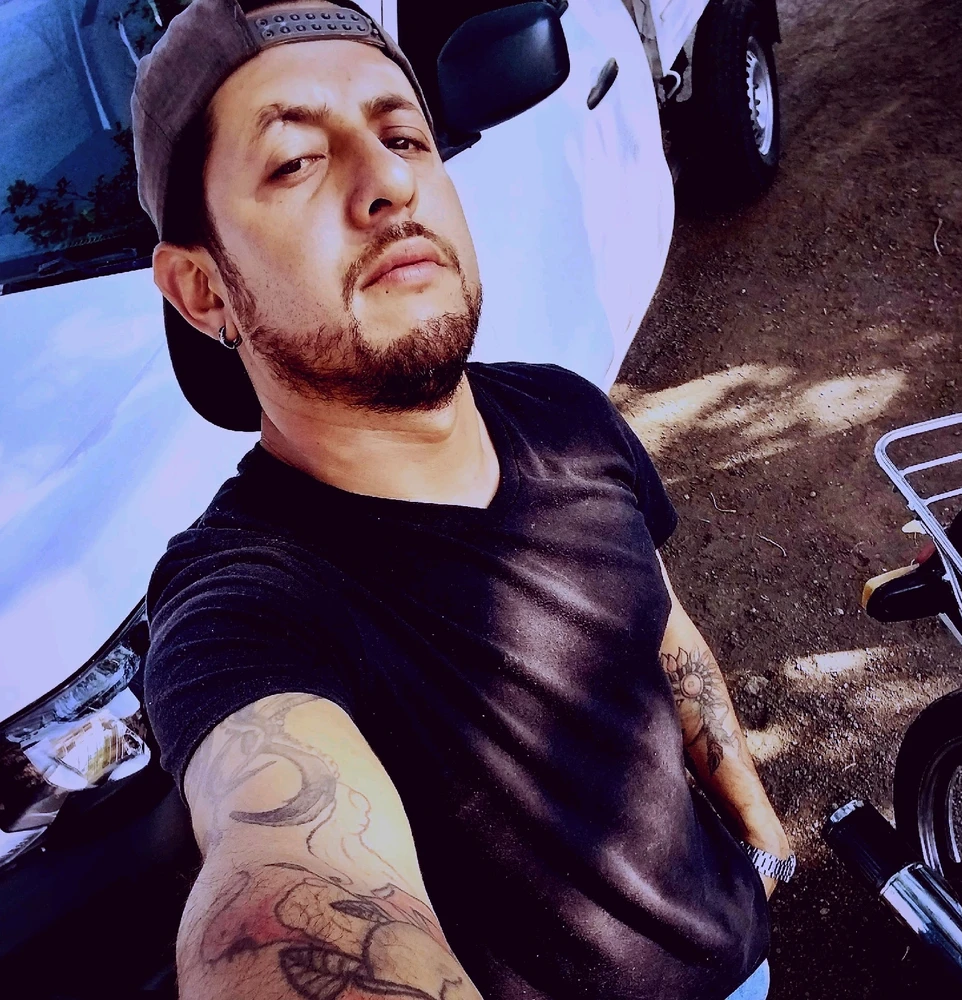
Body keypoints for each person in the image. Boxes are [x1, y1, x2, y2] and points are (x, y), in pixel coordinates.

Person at [134, 2, 793, 998]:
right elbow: (280, 869)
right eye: (295, 161)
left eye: (404, 136)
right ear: (202, 289)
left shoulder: (569, 415)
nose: (388, 181)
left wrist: (761, 840)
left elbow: (666, 636)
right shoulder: (244, 607)